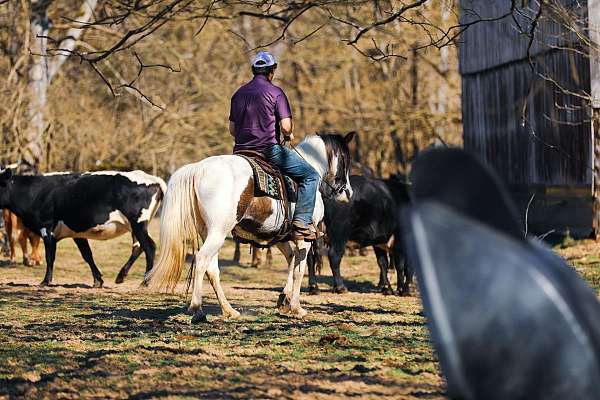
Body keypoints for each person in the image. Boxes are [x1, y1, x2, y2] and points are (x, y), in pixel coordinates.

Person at [229, 51, 320, 241]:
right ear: (272, 71)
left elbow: (232, 130)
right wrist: (289, 133)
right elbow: (286, 126)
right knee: (310, 175)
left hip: (240, 153)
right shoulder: (275, 92)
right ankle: (301, 224)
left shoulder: (238, 94)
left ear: (254, 71)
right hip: (267, 150)